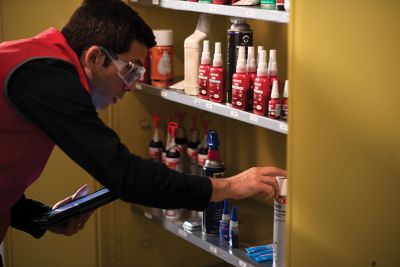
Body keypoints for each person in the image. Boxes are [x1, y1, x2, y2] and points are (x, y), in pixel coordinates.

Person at [0, 0, 286, 264]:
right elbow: (124, 174)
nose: (131, 86)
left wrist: (38, 217)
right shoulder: (46, 77)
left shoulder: (39, 62)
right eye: (131, 71)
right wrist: (230, 187)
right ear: (96, 57)